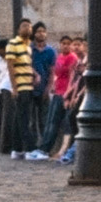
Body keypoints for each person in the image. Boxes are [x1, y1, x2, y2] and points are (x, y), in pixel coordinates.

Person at [3, 20, 35, 156]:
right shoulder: (13, 44)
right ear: (18, 30)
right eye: (24, 26)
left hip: (28, 85)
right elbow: (10, 66)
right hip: (21, 86)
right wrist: (14, 88)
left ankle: (16, 149)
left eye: (29, 26)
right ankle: (29, 149)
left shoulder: (28, 47)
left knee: (18, 118)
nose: (27, 28)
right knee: (24, 118)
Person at [41, 35, 78, 152]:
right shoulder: (59, 57)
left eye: (68, 43)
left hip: (65, 92)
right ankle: (46, 147)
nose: (66, 46)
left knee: (63, 122)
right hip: (57, 90)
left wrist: (68, 94)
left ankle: (56, 149)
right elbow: (56, 73)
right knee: (51, 121)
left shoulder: (72, 58)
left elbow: (72, 76)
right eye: (63, 43)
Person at [29, 24, 56, 152]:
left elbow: (52, 71)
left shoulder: (50, 51)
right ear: (34, 34)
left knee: (44, 118)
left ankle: (44, 147)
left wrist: (49, 87)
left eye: (43, 31)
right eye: (38, 31)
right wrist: (35, 74)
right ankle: (32, 145)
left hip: (44, 88)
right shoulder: (29, 49)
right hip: (30, 87)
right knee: (31, 119)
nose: (41, 34)